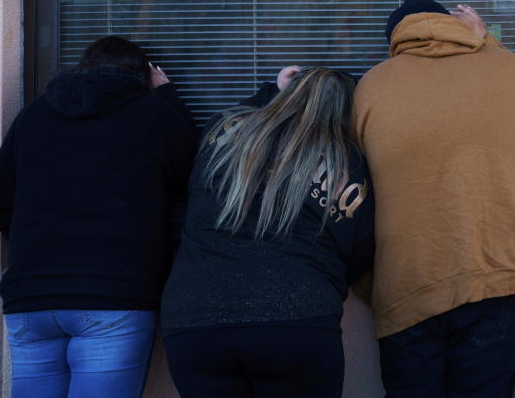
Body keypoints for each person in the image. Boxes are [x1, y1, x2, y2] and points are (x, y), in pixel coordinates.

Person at [354, 0, 515, 397]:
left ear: (395, 39)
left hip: (406, 281)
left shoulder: (373, 85)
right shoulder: (506, 69)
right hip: (495, 275)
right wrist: (487, 44)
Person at [0, 35, 198, 398]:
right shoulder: (151, 113)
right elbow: (195, 175)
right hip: (113, 295)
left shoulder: (35, 114)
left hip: (31, 296)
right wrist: (167, 96)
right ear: (145, 74)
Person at [160, 65, 374, 398]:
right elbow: (358, 249)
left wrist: (271, 92)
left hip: (196, 320)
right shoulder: (346, 162)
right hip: (297, 321)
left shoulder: (224, 131)